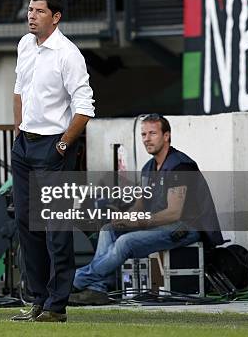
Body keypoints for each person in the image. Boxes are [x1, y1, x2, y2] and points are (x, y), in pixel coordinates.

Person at [70, 114, 223, 305]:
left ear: (166, 136)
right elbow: (140, 204)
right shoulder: (148, 167)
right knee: (108, 230)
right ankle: (97, 289)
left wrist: (139, 222)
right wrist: (124, 218)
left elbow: (173, 213)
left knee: (125, 242)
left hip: (186, 228)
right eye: (143, 134)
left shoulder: (180, 165)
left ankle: (75, 280)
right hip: (160, 225)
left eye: (152, 133)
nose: (146, 139)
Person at [10, 0, 95, 322]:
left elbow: (85, 106)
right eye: (30, 10)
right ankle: (38, 300)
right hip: (25, 144)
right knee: (26, 223)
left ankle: (58, 306)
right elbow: (19, 90)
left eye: (39, 11)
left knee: (56, 227)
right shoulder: (24, 45)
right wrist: (18, 130)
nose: (32, 15)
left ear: (56, 17)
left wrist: (63, 145)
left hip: (53, 145)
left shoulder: (68, 54)